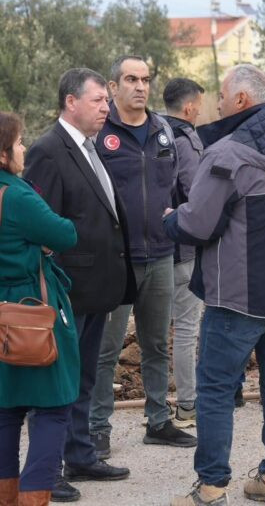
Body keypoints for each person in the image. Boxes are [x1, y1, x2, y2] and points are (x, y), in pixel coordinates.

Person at [165, 64, 265, 506]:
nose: (215, 102)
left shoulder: (227, 154)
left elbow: (198, 223)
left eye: (221, 94)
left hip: (239, 297)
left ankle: (212, 487)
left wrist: (171, 221)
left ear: (241, 102)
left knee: (214, 387)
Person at [24, 69, 134, 502]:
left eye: (107, 101)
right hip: (69, 288)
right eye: (98, 100)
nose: (107, 108)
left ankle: (81, 454)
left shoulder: (91, 148)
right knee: (58, 381)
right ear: (71, 102)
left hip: (98, 286)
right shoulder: (48, 151)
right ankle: (46, 470)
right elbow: (44, 224)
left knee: (85, 376)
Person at [89, 56, 196, 455]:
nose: (140, 86)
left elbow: (181, 190)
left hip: (161, 255)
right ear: (113, 87)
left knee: (156, 344)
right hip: (117, 260)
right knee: (107, 349)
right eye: (131, 79)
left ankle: (158, 421)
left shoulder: (164, 131)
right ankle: (98, 428)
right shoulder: (100, 134)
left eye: (146, 79)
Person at [0, 112, 79, 506]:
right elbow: (64, 233)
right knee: (54, 406)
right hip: (30, 310)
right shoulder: (16, 194)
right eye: (17, 143)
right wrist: (37, 245)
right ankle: (33, 499)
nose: (23, 149)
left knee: (5, 407)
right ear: (1, 153)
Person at [163, 78, 205, 428]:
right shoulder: (187, 139)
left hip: (151, 249)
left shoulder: (153, 133)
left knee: (155, 332)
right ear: (189, 107)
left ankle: (156, 409)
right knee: (188, 329)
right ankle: (188, 406)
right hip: (183, 247)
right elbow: (197, 194)